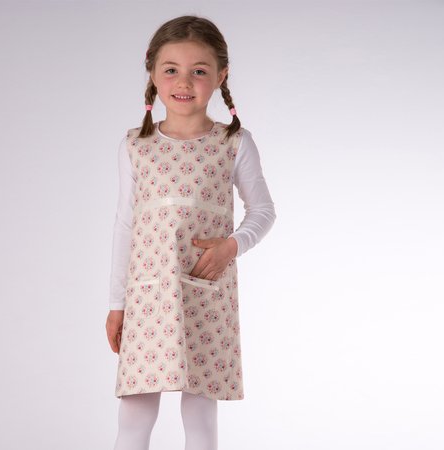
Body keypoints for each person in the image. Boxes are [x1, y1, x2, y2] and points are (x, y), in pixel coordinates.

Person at [105, 15, 277, 450]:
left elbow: (263, 210)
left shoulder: (234, 143)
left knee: (200, 413)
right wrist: (116, 304)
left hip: (206, 292)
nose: (184, 82)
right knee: (135, 411)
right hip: (147, 296)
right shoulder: (135, 146)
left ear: (221, 76)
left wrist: (232, 246)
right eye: (171, 70)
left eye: (199, 71)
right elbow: (125, 225)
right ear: (152, 72)